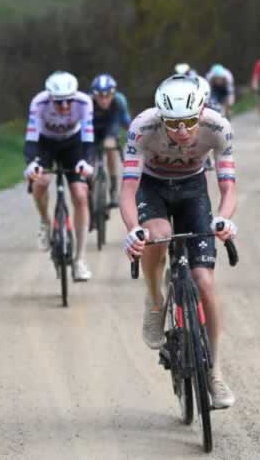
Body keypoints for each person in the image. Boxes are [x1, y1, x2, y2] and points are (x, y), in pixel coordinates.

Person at [120, 75, 238, 409]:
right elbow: (128, 189)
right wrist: (132, 229)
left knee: (205, 282)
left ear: (201, 111)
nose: (183, 131)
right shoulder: (143, 128)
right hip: (152, 188)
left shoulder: (218, 128)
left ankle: (215, 374)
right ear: (161, 117)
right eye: (174, 124)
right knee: (156, 235)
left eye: (189, 122)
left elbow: (228, 187)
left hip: (192, 190)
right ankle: (155, 299)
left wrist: (225, 219)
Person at [23, 71, 95, 281]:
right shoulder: (39, 102)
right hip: (45, 144)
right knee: (41, 181)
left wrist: (86, 161)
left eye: (68, 101)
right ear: (51, 98)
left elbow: (88, 137)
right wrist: (32, 163)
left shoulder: (84, 102)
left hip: (73, 145)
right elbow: (31, 138)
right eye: (59, 102)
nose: (64, 106)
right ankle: (45, 222)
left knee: (80, 195)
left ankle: (80, 260)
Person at [90, 73, 132, 207]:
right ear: (94, 95)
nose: (103, 100)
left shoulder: (119, 100)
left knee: (110, 148)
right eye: (100, 96)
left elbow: (126, 122)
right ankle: (89, 187)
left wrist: (135, 136)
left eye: (107, 96)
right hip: (92, 130)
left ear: (113, 94)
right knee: (89, 159)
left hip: (110, 128)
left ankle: (113, 190)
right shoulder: (87, 101)